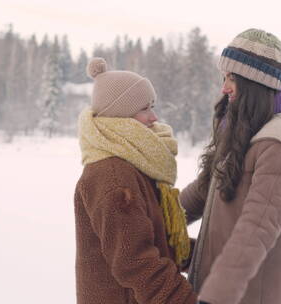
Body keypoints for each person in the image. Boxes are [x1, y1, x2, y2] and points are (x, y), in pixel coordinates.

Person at [180, 29, 281, 304]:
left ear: (255, 84)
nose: (224, 87)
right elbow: (203, 190)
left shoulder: (280, 147)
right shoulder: (243, 133)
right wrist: (156, 218)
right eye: (224, 77)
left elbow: (255, 230)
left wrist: (216, 296)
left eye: (232, 78)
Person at [74, 57, 197, 304]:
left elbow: (150, 239)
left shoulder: (132, 165)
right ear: (121, 116)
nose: (154, 117)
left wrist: (202, 254)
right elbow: (135, 262)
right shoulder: (112, 176)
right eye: (145, 109)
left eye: (152, 106)